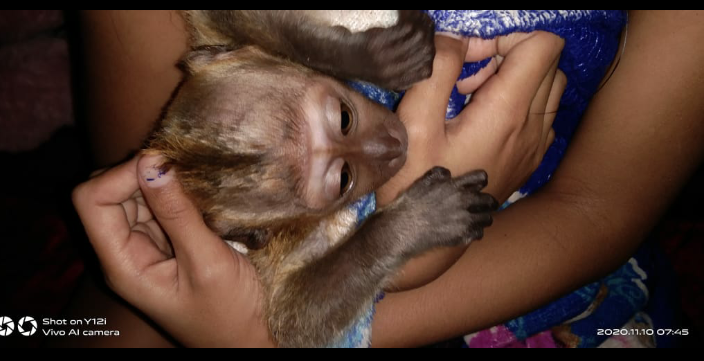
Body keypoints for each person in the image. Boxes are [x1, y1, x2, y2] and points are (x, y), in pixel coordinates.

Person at [69, 10, 704, 347]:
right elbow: (158, 219)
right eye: (343, 172)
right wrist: (401, 246)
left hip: (533, 261)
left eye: (343, 116)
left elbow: (599, 210)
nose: (383, 144)